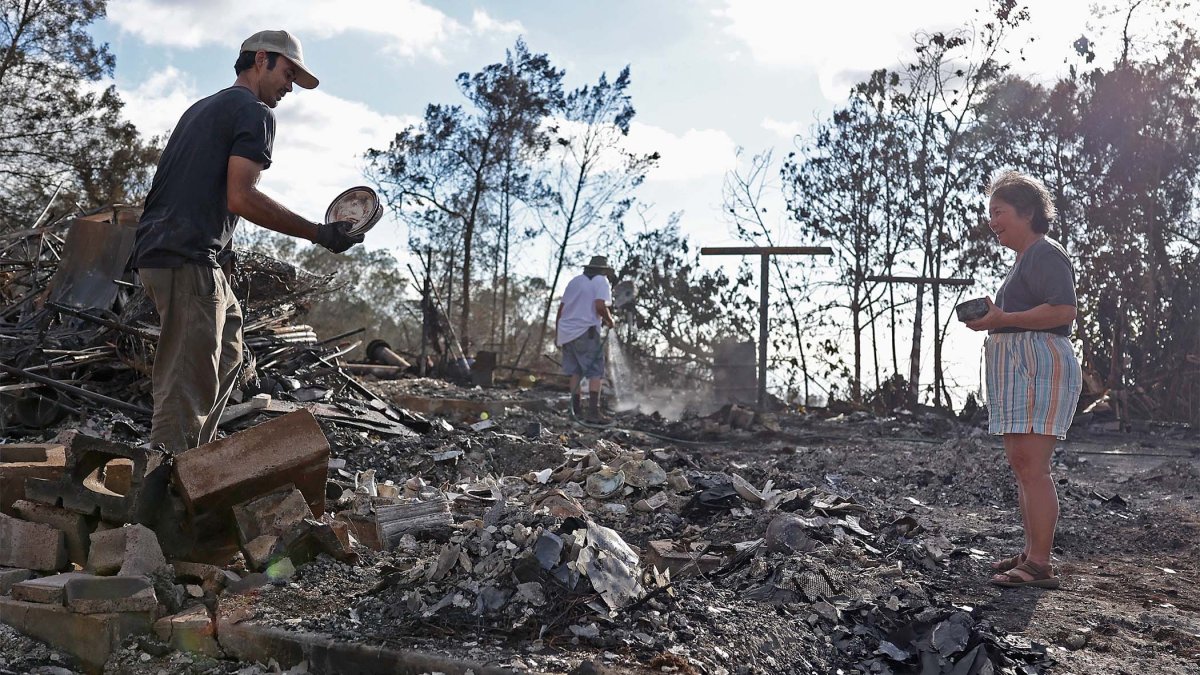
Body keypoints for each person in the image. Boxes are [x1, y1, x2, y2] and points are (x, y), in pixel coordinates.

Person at [130, 30, 364, 452]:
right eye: (288, 73)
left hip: (176, 252)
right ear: (262, 60)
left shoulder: (202, 108)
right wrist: (318, 233)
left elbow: (192, 187)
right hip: (186, 258)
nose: (289, 87)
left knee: (229, 350)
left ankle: (195, 460)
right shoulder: (254, 111)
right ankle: (163, 490)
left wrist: (222, 254)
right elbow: (241, 195)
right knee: (185, 384)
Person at [965, 170, 1082, 589]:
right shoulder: (1023, 260)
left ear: (1027, 211)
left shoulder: (1045, 253)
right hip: (1020, 368)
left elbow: (1064, 310)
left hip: (1039, 366)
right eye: (990, 214)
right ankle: (1032, 550)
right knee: (1022, 465)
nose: (992, 221)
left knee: (1033, 466)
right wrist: (993, 323)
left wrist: (1003, 319)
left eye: (998, 212)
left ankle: (1039, 564)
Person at [555, 255, 616, 423]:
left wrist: (557, 334)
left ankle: (575, 411)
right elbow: (599, 305)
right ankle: (593, 413)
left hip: (566, 331)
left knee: (575, 371)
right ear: (603, 270)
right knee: (596, 370)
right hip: (585, 331)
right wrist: (610, 321)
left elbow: (561, 309)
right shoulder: (601, 281)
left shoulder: (574, 281)